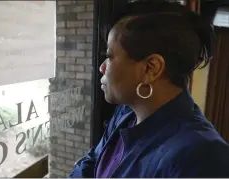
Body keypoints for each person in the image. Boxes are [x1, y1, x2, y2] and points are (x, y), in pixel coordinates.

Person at [69, 0, 229, 178]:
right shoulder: (126, 113)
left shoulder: (202, 158)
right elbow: (92, 162)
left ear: (151, 68)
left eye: (109, 56)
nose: (102, 68)